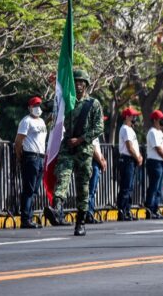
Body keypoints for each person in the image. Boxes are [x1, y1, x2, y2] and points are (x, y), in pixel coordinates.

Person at [43, 69, 104, 236]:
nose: (78, 84)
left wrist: (81, 139)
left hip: (84, 150)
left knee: (83, 188)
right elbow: (44, 106)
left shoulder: (93, 104)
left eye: (81, 82)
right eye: (75, 81)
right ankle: (57, 208)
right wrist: (58, 89)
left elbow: (99, 128)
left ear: (86, 84)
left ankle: (81, 222)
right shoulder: (66, 102)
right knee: (62, 176)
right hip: (67, 147)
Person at [15, 96, 47, 229]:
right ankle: (25, 218)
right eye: (35, 105)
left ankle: (29, 215)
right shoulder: (26, 121)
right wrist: (19, 156)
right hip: (31, 156)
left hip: (40, 157)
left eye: (39, 105)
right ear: (29, 108)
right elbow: (18, 141)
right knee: (28, 189)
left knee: (34, 190)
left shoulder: (42, 121)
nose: (37, 108)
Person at [117, 107, 143, 221]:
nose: (135, 118)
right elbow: (129, 146)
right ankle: (122, 210)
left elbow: (134, 146)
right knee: (126, 187)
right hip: (127, 159)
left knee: (130, 187)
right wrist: (137, 157)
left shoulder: (130, 129)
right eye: (133, 116)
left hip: (131, 160)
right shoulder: (125, 129)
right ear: (127, 117)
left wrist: (139, 156)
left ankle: (127, 209)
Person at [145, 110, 163, 219]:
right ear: (155, 120)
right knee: (154, 187)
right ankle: (150, 208)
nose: (162, 121)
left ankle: (155, 208)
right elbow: (158, 148)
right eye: (160, 119)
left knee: (159, 188)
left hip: (161, 162)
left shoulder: (160, 132)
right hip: (155, 162)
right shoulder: (152, 132)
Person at [87, 135, 107, 223]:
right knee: (90, 191)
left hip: (97, 162)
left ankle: (90, 213)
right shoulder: (91, 133)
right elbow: (93, 151)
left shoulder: (95, 135)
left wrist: (103, 159)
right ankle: (88, 214)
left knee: (93, 191)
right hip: (93, 162)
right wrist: (101, 162)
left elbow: (98, 151)